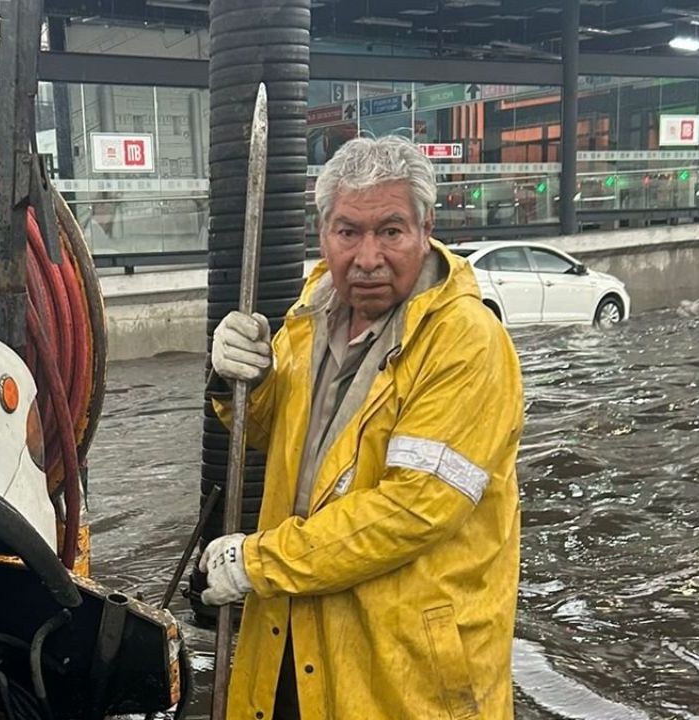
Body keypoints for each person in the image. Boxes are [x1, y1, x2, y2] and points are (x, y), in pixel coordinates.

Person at [201, 135, 524, 720]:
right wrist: (240, 381)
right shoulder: (309, 318)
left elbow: (414, 508)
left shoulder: (466, 343)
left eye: (391, 231)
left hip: (402, 671)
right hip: (293, 641)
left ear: (426, 229)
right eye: (348, 232)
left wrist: (259, 562)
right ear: (322, 233)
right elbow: (284, 438)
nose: (367, 257)